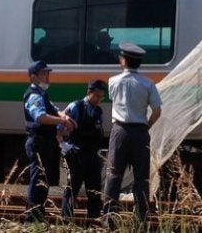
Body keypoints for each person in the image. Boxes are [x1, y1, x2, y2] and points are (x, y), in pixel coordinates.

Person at [102, 42, 162, 224]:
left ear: (123, 61)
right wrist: (147, 126)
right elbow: (157, 110)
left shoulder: (113, 81)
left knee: (113, 175)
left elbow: (114, 99)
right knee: (141, 178)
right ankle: (141, 219)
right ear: (139, 62)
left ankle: (109, 219)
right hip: (140, 132)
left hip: (119, 131)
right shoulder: (148, 83)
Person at [23, 60, 75, 223]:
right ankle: (32, 218)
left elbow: (54, 109)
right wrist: (64, 122)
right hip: (38, 141)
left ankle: (38, 215)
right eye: (44, 74)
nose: (47, 77)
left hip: (45, 142)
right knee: (38, 179)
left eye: (48, 73)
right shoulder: (33, 95)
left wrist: (63, 116)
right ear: (33, 77)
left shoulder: (42, 94)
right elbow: (40, 117)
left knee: (43, 180)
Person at [58, 79, 107, 219]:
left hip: (92, 156)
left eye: (101, 97)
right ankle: (66, 219)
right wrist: (63, 145)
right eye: (97, 96)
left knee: (94, 190)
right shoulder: (75, 107)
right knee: (72, 188)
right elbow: (60, 129)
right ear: (88, 92)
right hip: (77, 154)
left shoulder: (98, 111)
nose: (99, 99)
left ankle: (93, 219)